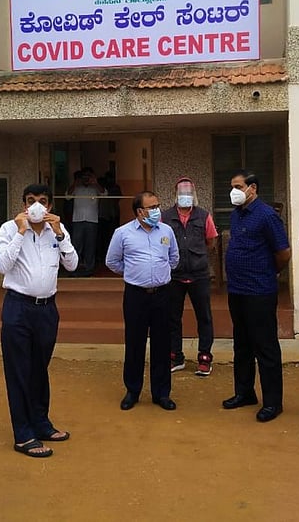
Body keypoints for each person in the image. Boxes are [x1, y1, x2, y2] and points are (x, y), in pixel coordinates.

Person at [0, 184, 78, 458]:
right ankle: (23, 434)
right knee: (19, 370)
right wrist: (21, 231)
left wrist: (61, 234)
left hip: (47, 309)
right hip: (18, 307)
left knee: (40, 368)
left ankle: (41, 423)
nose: (36, 206)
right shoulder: (10, 229)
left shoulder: (57, 231)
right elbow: (1, 266)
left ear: (50, 206)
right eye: (31, 201)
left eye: (42, 201)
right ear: (23, 205)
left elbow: (73, 264)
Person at [222, 170, 291, 422]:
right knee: (241, 344)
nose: (234, 191)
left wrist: (268, 272)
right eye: (232, 186)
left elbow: (283, 252)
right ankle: (244, 392)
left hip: (259, 291)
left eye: (238, 186)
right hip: (237, 290)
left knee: (265, 346)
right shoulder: (237, 213)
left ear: (252, 188)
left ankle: (273, 402)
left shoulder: (266, 216)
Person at [106, 191, 180, 412]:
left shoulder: (166, 231)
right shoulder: (123, 233)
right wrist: (134, 273)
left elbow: (174, 258)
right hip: (136, 295)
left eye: (158, 205)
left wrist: (159, 273)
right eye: (152, 207)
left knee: (162, 343)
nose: (157, 210)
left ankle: (161, 393)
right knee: (135, 342)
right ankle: (132, 390)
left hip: (163, 294)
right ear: (139, 211)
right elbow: (112, 261)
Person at [161, 177, 218, 376]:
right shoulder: (165, 216)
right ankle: (175, 356)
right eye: (181, 193)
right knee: (172, 317)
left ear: (194, 194)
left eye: (188, 193)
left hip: (199, 274)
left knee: (204, 317)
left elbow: (210, 241)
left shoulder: (203, 215)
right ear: (175, 194)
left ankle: (204, 357)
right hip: (174, 275)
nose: (184, 197)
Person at [66, 167, 105, 277]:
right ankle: (74, 268)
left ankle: (89, 268)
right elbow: (67, 196)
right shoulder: (76, 188)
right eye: (84, 177)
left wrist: (95, 183)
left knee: (90, 245)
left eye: (89, 176)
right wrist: (75, 183)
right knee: (76, 245)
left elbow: (104, 194)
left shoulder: (95, 188)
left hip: (92, 220)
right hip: (77, 220)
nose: (86, 179)